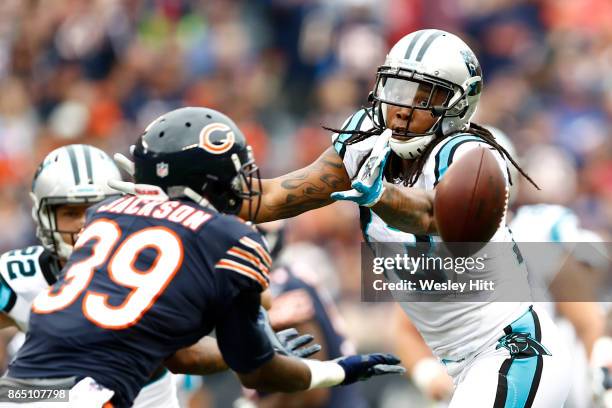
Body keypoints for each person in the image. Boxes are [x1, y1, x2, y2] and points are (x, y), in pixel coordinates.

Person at [231, 29, 571, 406]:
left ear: (459, 104)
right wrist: (201, 192)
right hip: (462, 364)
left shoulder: (471, 158)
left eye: (426, 97)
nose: (405, 108)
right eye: (399, 90)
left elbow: (432, 215)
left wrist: (379, 193)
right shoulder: (367, 139)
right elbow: (275, 197)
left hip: (512, 351)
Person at [0, 108, 403, 408]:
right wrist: (338, 370)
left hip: (20, 390)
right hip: (89, 396)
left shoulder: (109, 216)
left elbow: (180, 354)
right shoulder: (227, 238)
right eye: (235, 175)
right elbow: (257, 369)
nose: (244, 186)